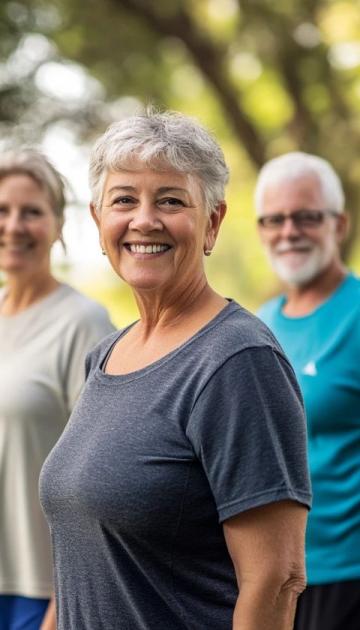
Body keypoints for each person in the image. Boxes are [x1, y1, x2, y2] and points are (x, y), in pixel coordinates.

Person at [40, 110, 311, 630]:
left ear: (211, 222)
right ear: (98, 222)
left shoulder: (237, 360)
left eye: (171, 200)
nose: (145, 220)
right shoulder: (107, 355)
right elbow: (86, 562)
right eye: (124, 200)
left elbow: (276, 579)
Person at [0, 149, 114, 630]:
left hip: (41, 594)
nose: (14, 225)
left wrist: (60, 608)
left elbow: (101, 479)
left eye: (32, 212)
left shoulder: (83, 325)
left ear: (59, 224)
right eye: (2, 210)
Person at [255, 151, 360, 630]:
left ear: (339, 224)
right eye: (274, 219)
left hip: (346, 579)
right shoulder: (256, 325)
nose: (288, 231)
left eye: (306, 217)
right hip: (269, 577)